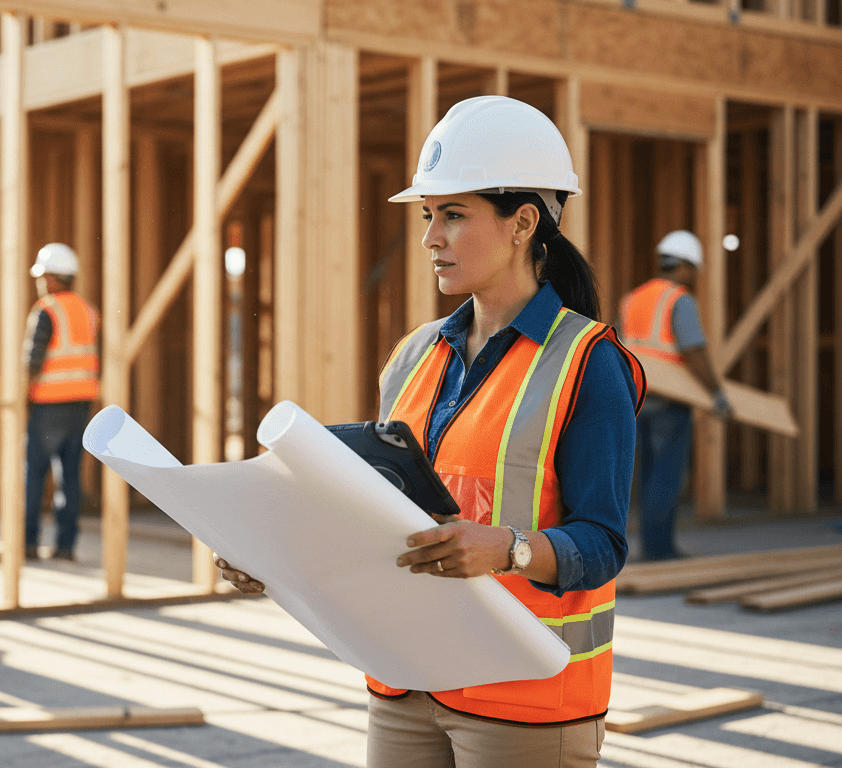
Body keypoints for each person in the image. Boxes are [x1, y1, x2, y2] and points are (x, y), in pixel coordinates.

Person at [215, 96, 645, 767]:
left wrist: (508, 550)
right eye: (428, 215)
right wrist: (273, 556)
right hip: (404, 684)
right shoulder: (414, 355)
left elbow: (602, 544)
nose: (431, 238)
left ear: (522, 223)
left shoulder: (589, 363)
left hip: (522, 702)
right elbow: (376, 516)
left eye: (454, 214)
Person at [618, 232, 731, 562]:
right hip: (669, 404)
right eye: (693, 269)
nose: (694, 276)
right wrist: (716, 393)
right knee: (666, 477)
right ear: (683, 266)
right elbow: (693, 351)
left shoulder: (632, 299)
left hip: (638, 400)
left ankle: (651, 546)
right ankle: (660, 550)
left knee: (647, 476)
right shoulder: (679, 300)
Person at [22, 243, 99, 562]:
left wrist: (20, 396)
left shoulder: (47, 310)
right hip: (81, 405)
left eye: (42, 277)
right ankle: (65, 547)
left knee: (35, 476)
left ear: (52, 278)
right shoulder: (88, 311)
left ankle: (27, 544)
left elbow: (32, 362)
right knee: (70, 477)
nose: (40, 283)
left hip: (49, 404)